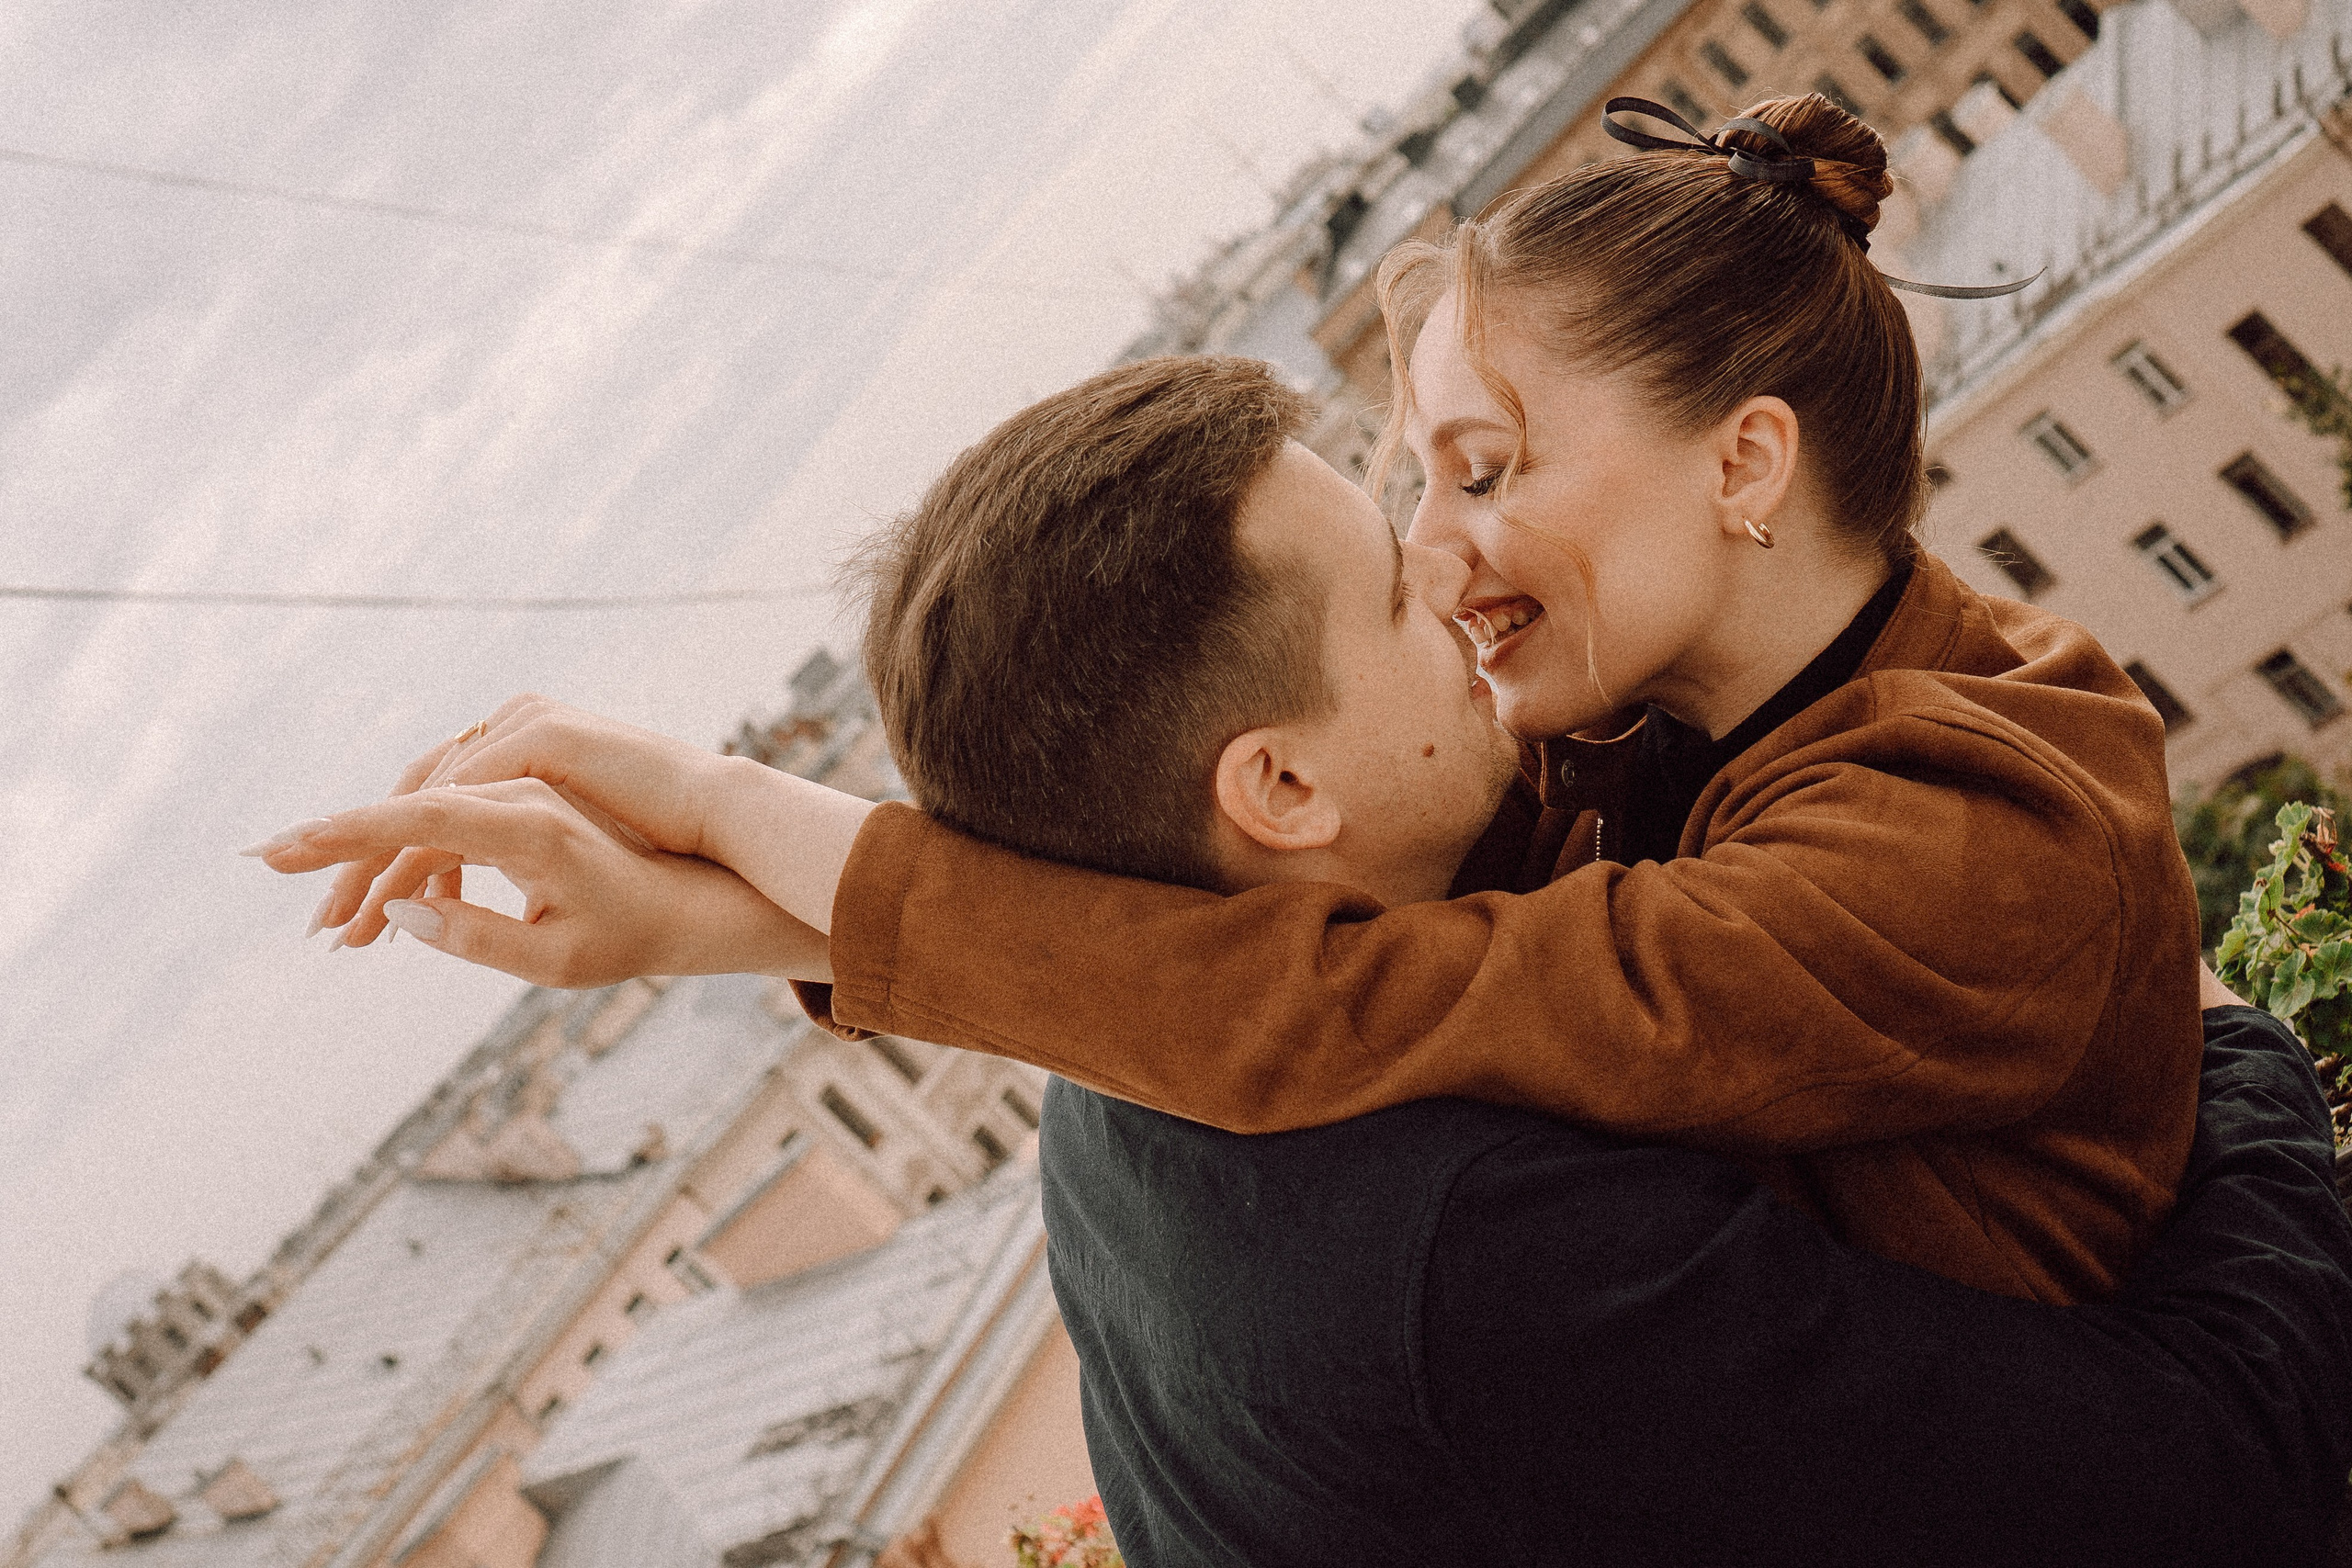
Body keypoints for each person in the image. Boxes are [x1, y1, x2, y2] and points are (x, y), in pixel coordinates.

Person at [247, 353, 2352, 1562]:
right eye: (1391, 594)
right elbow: (2213, 1476)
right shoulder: (1490, 1243)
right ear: (1272, 790)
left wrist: (753, 883)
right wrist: (2217, 1043)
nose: (1456, 572)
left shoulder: (1131, 1082)